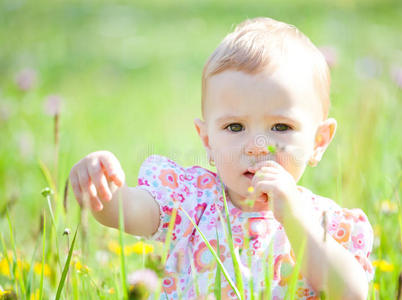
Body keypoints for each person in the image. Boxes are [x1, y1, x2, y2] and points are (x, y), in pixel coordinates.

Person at [70, 17, 374, 299]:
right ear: (208, 141)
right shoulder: (192, 200)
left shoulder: (323, 222)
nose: (256, 147)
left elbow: (351, 293)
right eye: (234, 127)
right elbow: (126, 213)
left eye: (281, 127)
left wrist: (295, 218)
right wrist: (103, 189)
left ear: (318, 142)